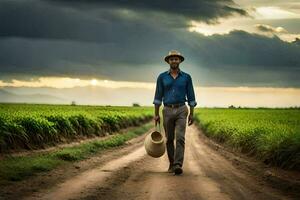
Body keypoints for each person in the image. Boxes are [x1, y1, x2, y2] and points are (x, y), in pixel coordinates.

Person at [153, 50, 197, 175]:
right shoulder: (162, 77)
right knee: (169, 139)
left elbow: (191, 96)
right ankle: (172, 164)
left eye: (176, 59)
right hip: (167, 110)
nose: (174, 61)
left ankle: (178, 164)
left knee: (180, 138)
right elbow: (157, 97)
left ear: (180, 61)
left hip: (182, 109)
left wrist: (192, 113)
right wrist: (156, 114)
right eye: (172, 59)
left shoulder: (187, 77)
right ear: (168, 61)